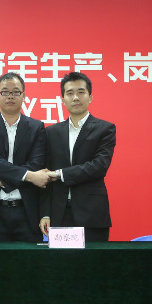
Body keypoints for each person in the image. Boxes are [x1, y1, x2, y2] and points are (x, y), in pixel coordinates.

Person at [0, 72, 49, 242]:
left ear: (24, 96)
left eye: (16, 92)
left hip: (27, 211)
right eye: (5, 92)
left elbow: (36, 164)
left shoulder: (37, 127)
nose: (10, 96)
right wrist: (29, 176)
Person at [39, 72, 116, 242]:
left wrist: (60, 174)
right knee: (60, 259)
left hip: (92, 214)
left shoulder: (105, 129)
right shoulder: (51, 132)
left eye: (81, 92)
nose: (75, 98)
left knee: (94, 259)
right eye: (70, 93)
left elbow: (99, 166)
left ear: (90, 97)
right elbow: (45, 174)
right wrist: (45, 213)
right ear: (63, 100)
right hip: (59, 214)